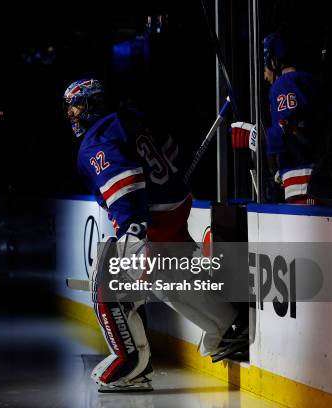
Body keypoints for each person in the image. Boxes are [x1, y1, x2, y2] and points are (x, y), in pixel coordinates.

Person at [63, 78, 248, 392]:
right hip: (175, 204)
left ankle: (130, 365)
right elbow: (171, 149)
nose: (71, 113)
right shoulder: (129, 118)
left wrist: (134, 231)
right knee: (166, 282)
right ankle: (226, 326)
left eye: (76, 105)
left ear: (92, 106)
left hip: (151, 217)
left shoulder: (96, 140)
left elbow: (126, 183)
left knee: (106, 282)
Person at [231, 31, 320, 204]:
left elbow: (284, 131)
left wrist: (260, 139)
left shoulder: (283, 85)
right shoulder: (310, 81)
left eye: (265, 68)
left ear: (274, 61)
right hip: (320, 178)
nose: (265, 76)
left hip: (301, 183)